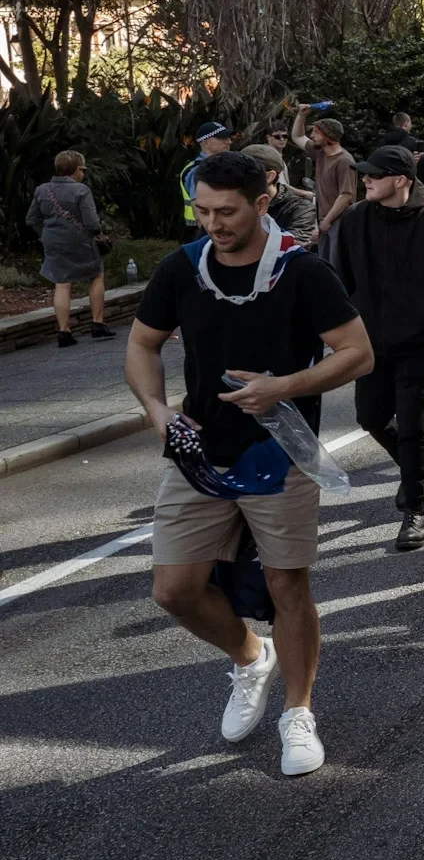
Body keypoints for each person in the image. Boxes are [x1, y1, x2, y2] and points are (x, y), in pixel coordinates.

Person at [127, 150, 373, 777]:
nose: (213, 223)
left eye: (226, 212)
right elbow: (142, 344)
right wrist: (158, 413)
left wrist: (283, 386)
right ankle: (249, 657)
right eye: (202, 211)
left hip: (280, 453)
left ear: (263, 203)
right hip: (198, 451)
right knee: (174, 590)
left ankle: (298, 713)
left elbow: (357, 353)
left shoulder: (302, 271)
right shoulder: (181, 269)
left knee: (286, 584)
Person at [331, 146, 424, 550]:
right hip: (368, 347)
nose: (365, 180)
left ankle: (416, 508)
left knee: (411, 424)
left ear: (402, 180)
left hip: (416, 345)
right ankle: (415, 468)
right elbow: (341, 284)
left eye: (374, 175)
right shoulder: (355, 220)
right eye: (364, 174)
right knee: (370, 417)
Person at [27, 150, 113, 346]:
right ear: (76, 169)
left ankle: (64, 332)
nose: (83, 173)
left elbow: (31, 219)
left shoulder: (42, 190)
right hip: (82, 242)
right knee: (96, 276)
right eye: (82, 169)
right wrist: (98, 232)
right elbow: (92, 224)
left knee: (62, 284)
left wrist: (45, 234)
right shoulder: (81, 190)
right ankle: (98, 324)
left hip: (53, 243)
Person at [290, 109, 357, 261]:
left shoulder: (344, 161)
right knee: (325, 261)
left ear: (327, 136)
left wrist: (327, 221)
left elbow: (346, 195)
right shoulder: (320, 153)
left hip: (340, 222)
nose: (312, 136)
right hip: (326, 221)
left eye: (316, 132)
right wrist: (301, 115)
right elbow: (297, 136)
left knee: (336, 264)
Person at [241, 143, 320, 247]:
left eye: (245, 172)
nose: (238, 177)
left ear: (269, 176)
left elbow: (290, 245)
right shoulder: (234, 202)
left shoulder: (299, 209)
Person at [179, 122, 237, 243]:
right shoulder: (198, 170)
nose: (229, 142)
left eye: (228, 138)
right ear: (205, 142)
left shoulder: (219, 166)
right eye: (222, 138)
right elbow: (198, 209)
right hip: (202, 232)